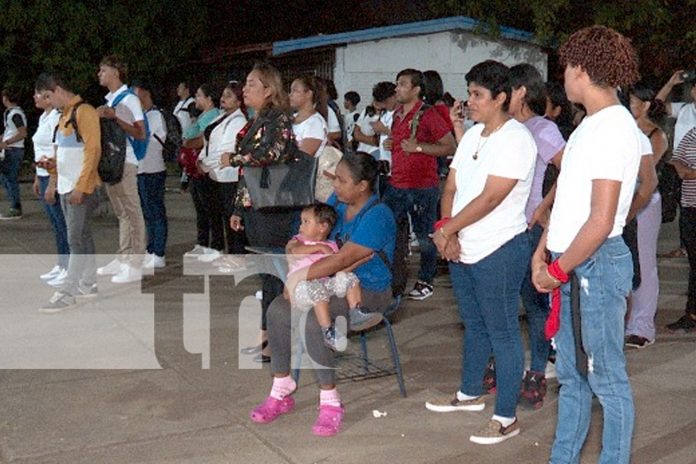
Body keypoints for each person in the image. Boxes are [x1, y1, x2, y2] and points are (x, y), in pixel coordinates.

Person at [531, 26, 641, 464]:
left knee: (607, 380)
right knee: (574, 379)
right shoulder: (590, 126)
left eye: (566, 68)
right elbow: (573, 204)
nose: (564, 77)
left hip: (592, 265)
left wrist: (556, 270)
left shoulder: (613, 129)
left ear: (581, 69)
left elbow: (600, 219)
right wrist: (545, 247)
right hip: (571, 261)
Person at [425, 60, 536, 445]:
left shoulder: (517, 138)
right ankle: (469, 393)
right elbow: (451, 188)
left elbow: (492, 198)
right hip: (461, 246)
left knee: (503, 330)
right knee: (474, 324)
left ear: (501, 98)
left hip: (499, 247)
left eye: (477, 95)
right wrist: (445, 231)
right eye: (469, 92)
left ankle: (506, 416)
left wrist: (449, 229)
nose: (469, 101)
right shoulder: (472, 137)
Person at [249, 152, 395, 437]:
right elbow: (298, 236)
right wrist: (295, 251)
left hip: (367, 291)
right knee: (277, 310)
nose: (334, 184)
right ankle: (282, 387)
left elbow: (343, 260)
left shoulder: (378, 215)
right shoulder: (335, 206)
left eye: (341, 180)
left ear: (363, 186)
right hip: (326, 284)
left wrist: (298, 277)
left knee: (314, 323)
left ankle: (330, 401)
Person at [229, 63, 299, 364]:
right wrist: (238, 208)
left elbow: (274, 154)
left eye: (252, 84)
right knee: (265, 272)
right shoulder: (256, 120)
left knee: (273, 273)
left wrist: (235, 157)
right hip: (256, 204)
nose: (245, 89)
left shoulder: (278, 118)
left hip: (274, 206)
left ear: (268, 89)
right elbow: (248, 173)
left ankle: (272, 337)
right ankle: (267, 335)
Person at [507, 63, 566, 408]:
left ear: (521, 93)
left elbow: (569, 167)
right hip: (504, 228)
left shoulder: (542, 129)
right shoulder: (505, 129)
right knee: (504, 304)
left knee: (534, 304)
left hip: (529, 230)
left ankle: (539, 370)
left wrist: (543, 207)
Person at [383, 68, 456, 301]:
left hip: (421, 186)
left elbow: (450, 146)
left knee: (425, 236)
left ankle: (426, 280)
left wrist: (419, 148)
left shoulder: (428, 114)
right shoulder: (396, 114)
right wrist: (391, 143)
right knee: (393, 233)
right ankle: (395, 280)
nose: (397, 88)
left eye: (403, 84)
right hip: (397, 184)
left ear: (416, 89)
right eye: (397, 84)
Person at [36, 72, 102, 312]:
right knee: (82, 236)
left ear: (57, 89)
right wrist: (51, 167)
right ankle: (88, 283)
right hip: (66, 187)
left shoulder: (84, 112)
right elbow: (68, 154)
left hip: (79, 189)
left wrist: (82, 187)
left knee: (75, 239)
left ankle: (68, 292)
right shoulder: (64, 116)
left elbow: (93, 151)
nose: (48, 103)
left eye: (47, 97)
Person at [286, 202, 381, 350]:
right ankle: (328, 331)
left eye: (306, 222)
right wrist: (317, 247)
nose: (300, 226)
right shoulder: (299, 240)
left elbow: (339, 270)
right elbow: (294, 252)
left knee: (349, 278)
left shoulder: (332, 246)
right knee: (315, 287)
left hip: (324, 286)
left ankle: (356, 312)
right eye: (301, 222)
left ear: (322, 227)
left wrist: (361, 260)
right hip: (301, 289)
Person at [95, 55, 148, 284]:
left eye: (103, 70)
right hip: (112, 162)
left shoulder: (129, 100)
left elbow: (140, 133)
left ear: (116, 72)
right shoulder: (112, 99)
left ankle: (136, 262)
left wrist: (115, 117)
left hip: (126, 162)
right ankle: (123, 256)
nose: (99, 74)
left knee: (132, 212)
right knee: (121, 212)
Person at [624, 85, 668, 348]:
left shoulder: (656, 135)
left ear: (646, 105)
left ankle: (642, 326)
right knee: (628, 259)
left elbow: (646, 175)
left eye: (633, 102)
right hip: (624, 200)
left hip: (646, 202)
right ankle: (629, 319)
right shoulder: (626, 130)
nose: (630, 106)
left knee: (644, 260)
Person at [198, 81, 248, 260]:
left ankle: (236, 254)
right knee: (216, 213)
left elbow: (224, 150)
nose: (223, 99)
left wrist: (206, 163)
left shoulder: (238, 121)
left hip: (228, 176)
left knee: (231, 217)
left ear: (238, 101)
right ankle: (221, 249)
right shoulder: (220, 117)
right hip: (214, 174)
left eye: (229, 96)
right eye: (223, 95)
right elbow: (209, 140)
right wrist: (201, 159)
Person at [31, 86, 69, 285]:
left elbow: (57, 149)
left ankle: (69, 265)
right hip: (43, 173)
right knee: (55, 224)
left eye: (39, 94)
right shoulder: (43, 117)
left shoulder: (56, 117)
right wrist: (38, 178)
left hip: (53, 175)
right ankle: (61, 263)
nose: (35, 97)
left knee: (62, 223)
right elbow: (40, 148)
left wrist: (52, 183)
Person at [181, 83, 223, 260]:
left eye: (199, 95)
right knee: (201, 209)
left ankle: (216, 246)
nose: (196, 99)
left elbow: (202, 139)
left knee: (210, 209)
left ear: (209, 99)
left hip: (204, 168)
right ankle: (203, 243)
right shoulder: (202, 116)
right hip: (194, 168)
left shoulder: (213, 116)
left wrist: (187, 143)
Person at [131, 79, 169, 269]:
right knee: (147, 212)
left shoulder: (154, 115)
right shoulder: (144, 115)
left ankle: (159, 252)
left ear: (145, 94)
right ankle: (151, 248)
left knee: (156, 211)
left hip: (153, 169)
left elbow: (145, 139)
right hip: (142, 170)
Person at [666, 127, 696, 332]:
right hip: (690, 207)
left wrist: (690, 171)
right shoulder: (693, 133)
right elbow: (675, 162)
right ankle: (692, 314)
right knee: (694, 263)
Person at [0, 87, 28, 219]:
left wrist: (7, 142)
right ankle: (14, 205)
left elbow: (22, 133)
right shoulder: (11, 113)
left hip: (14, 150)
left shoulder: (15, 114)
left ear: (6, 98)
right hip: (11, 149)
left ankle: (15, 207)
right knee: (6, 178)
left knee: (10, 179)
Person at [289, 75, 328, 157]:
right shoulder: (291, 118)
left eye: (295, 91)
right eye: (291, 91)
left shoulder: (315, 123)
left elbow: (304, 156)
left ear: (309, 94)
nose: (290, 95)